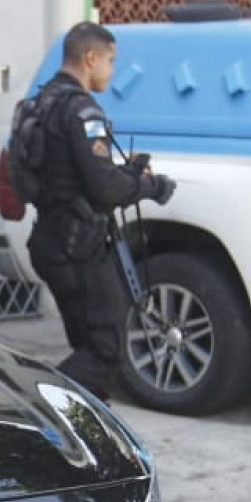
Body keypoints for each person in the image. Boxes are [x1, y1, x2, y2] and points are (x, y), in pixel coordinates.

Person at [23, 21, 175, 398]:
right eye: (110, 61)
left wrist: (129, 171)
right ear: (90, 58)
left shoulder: (37, 104)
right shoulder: (82, 112)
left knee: (88, 344)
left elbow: (68, 176)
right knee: (107, 348)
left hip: (50, 239)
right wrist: (150, 186)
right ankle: (39, 406)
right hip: (79, 247)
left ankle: (82, 426)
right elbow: (105, 189)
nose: (112, 70)